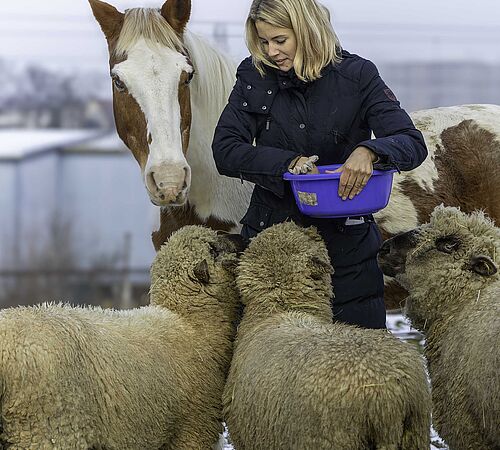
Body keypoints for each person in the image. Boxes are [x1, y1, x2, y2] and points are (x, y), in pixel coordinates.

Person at [211, 0, 427, 329]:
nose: (271, 51)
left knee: (357, 365)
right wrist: (288, 163)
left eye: (280, 40)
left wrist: (369, 151)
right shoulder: (254, 76)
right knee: (270, 365)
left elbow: (411, 142)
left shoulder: (359, 75)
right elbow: (225, 149)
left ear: (307, 30)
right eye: (263, 42)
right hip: (274, 247)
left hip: (348, 251)